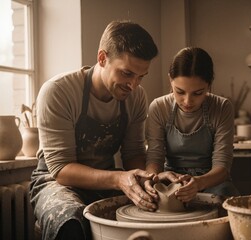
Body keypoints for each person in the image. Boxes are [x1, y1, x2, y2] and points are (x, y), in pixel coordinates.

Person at [29, 20, 158, 240]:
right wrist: (118, 179)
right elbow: (61, 169)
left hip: (106, 179)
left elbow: (133, 153)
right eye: (127, 73)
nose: (134, 85)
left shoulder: (136, 97)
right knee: (71, 217)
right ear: (102, 58)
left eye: (141, 77)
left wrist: (146, 180)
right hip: (56, 181)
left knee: (150, 209)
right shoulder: (59, 91)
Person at [145, 47, 239, 203]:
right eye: (180, 92)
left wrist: (199, 182)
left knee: (226, 199)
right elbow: (154, 157)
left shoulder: (222, 107)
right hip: (171, 180)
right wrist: (156, 177)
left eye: (198, 93)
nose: (187, 101)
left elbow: (222, 167)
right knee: (154, 200)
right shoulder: (158, 107)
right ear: (170, 80)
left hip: (211, 181)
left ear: (209, 85)